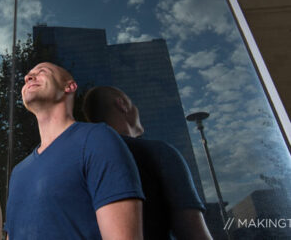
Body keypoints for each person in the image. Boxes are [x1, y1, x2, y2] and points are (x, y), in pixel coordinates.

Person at [5, 62, 144, 239]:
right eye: (28, 76)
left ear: (69, 86)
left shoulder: (97, 139)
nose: (28, 77)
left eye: (42, 72)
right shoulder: (18, 172)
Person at [83, 86, 212, 240]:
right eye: (133, 104)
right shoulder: (158, 153)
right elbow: (194, 232)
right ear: (122, 104)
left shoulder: (85, 163)